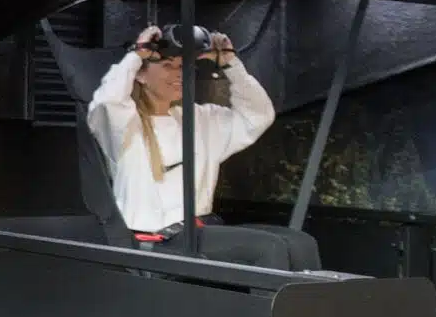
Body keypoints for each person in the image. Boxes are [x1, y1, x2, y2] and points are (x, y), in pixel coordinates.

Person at [86, 24, 321, 270]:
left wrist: (231, 65)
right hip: (158, 238)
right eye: (167, 66)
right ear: (141, 75)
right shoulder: (124, 125)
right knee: (269, 248)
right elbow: (106, 101)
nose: (178, 74)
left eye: (182, 67)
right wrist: (137, 54)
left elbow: (258, 115)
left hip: (200, 228)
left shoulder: (198, 118)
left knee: (301, 243)